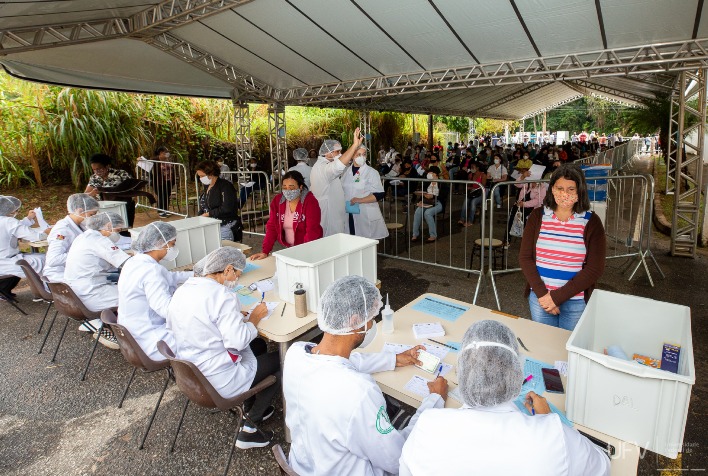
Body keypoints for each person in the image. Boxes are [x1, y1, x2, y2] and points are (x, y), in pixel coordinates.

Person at [400, 320, 610, 476]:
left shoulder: (428, 426)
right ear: (516, 373)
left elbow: (405, 469)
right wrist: (548, 421)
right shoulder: (554, 436)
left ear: (462, 372)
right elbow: (602, 466)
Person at [284, 275, 447, 476]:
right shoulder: (359, 391)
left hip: (303, 465)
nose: (371, 325)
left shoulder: (297, 353)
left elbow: (346, 362)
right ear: (354, 322)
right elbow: (398, 460)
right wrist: (433, 401)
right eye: (370, 319)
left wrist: (395, 359)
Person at [167, 247, 280, 449]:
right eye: (237, 273)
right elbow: (237, 342)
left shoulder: (182, 290)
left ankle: (249, 405)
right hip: (219, 379)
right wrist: (253, 319)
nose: (237, 278)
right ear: (227, 269)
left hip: (192, 373)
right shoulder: (222, 296)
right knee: (282, 362)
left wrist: (235, 319)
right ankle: (250, 428)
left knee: (259, 344)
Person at [519, 164, 606, 331]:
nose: (564, 193)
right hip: (540, 299)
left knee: (568, 351)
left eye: (571, 189)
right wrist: (544, 296)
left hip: (575, 302)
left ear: (580, 191)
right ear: (552, 189)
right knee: (544, 347)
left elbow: (595, 268)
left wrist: (556, 298)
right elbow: (525, 258)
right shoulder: (538, 217)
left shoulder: (591, 222)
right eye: (559, 188)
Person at [117, 222, 192, 361]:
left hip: (132, 335)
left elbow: (170, 277)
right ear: (159, 243)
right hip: (152, 341)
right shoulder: (151, 271)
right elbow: (166, 310)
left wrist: (197, 275)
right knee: (204, 331)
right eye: (172, 243)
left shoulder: (135, 262)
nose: (173, 248)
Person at [63, 211, 130, 348]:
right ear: (108, 226)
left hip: (76, 292)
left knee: (119, 281)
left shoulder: (83, 237)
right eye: (117, 230)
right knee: (136, 297)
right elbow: (128, 264)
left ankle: (103, 323)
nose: (117, 233)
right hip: (92, 293)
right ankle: (125, 335)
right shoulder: (99, 240)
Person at [250, 170, 322, 260]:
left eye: (291, 188)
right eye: (284, 187)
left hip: (309, 249)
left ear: (300, 187)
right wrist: (265, 251)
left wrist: (304, 253)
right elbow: (272, 227)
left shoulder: (310, 202)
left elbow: (312, 230)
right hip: (289, 249)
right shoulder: (278, 201)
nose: (288, 191)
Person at [310, 128, 365, 237]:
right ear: (327, 152)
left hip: (333, 211)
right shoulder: (323, 168)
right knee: (329, 241)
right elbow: (338, 166)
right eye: (337, 151)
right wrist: (354, 146)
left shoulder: (325, 165)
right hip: (328, 215)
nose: (340, 154)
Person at [43, 194, 100, 284]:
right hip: (61, 274)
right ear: (80, 211)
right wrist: (82, 254)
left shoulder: (81, 225)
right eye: (91, 214)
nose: (93, 218)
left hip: (76, 270)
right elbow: (53, 260)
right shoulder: (62, 229)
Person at [0, 196, 50, 297]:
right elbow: (35, 236)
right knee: (45, 259)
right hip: (7, 262)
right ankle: (47, 292)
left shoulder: (6, 221)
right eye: (15, 210)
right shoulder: (8, 221)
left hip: (3, 261)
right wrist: (46, 232)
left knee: (37, 258)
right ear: (9, 210)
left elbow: (15, 227)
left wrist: (28, 219)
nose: (16, 212)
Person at [342, 146, 389, 240]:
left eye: (364, 154)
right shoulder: (346, 172)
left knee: (366, 243)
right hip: (349, 213)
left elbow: (379, 194)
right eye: (358, 154)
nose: (362, 157)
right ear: (352, 156)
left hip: (365, 212)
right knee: (351, 240)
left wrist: (360, 200)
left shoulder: (371, 172)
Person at [84, 153, 135, 226]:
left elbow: (133, 188)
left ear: (107, 166)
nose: (96, 172)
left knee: (123, 229)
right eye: (94, 169)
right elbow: (86, 194)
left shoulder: (121, 174)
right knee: (107, 230)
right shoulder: (94, 178)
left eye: (99, 169)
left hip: (123, 207)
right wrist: (91, 193)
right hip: (103, 209)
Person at [195, 160, 240, 241]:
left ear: (211, 174)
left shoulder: (226, 186)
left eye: (202, 176)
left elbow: (227, 208)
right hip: (211, 225)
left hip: (225, 226)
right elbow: (205, 205)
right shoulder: (207, 186)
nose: (200, 178)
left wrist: (208, 214)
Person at [507, 172, 548, 237]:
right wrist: (523, 176)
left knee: (526, 220)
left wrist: (524, 204)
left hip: (533, 208)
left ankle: (526, 238)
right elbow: (517, 184)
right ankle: (507, 238)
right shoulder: (527, 181)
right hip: (520, 204)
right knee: (512, 217)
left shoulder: (542, 187)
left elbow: (537, 201)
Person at [411, 166, 442, 242]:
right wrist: (421, 200)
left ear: (435, 174)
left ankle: (433, 235)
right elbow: (423, 192)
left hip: (437, 203)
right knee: (418, 212)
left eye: (430, 172)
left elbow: (443, 196)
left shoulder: (442, 183)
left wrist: (433, 196)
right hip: (426, 202)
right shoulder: (427, 182)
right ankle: (415, 234)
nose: (429, 174)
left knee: (428, 213)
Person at [458, 162, 486, 226]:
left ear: (477, 168)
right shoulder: (470, 175)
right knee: (465, 201)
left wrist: (474, 188)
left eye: (473, 167)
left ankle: (470, 221)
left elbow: (482, 186)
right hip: (472, 193)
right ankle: (462, 219)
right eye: (471, 167)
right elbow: (468, 184)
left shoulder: (483, 175)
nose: (471, 169)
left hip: (480, 193)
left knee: (473, 202)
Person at [150, 146, 175, 218]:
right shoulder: (154, 160)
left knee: (167, 196)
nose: (167, 154)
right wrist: (140, 160)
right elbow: (146, 164)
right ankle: (161, 212)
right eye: (166, 152)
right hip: (159, 182)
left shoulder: (168, 160)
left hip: (168, 181)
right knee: (161, 196)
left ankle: (165, 210)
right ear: (161, 153)